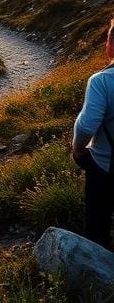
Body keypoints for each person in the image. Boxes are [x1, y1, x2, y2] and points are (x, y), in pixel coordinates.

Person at [72, 18, 114, 249]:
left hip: (105, 165)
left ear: (110, 44)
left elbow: (87, 125)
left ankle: (98, 275)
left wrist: (78, 150)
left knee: (98, 220)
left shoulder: (102, 81)